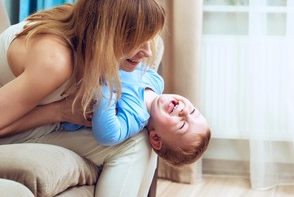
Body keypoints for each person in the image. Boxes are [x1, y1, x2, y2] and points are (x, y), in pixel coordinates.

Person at [0, 0, 165, 197]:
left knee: (138, 132)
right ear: (109, 35)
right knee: (132, 146)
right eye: (139, 40)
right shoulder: (55, 61)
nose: (148, 52)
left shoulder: (83, 27)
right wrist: (61, 112)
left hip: (22, 120)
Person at [62, 65, 211, 166]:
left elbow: (107, 135)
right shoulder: (156, 80)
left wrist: (108, 95)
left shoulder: (134, 118)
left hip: (63, 90)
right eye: (193, 111)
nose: (185, 112)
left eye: (182, 125)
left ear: (156, 139)